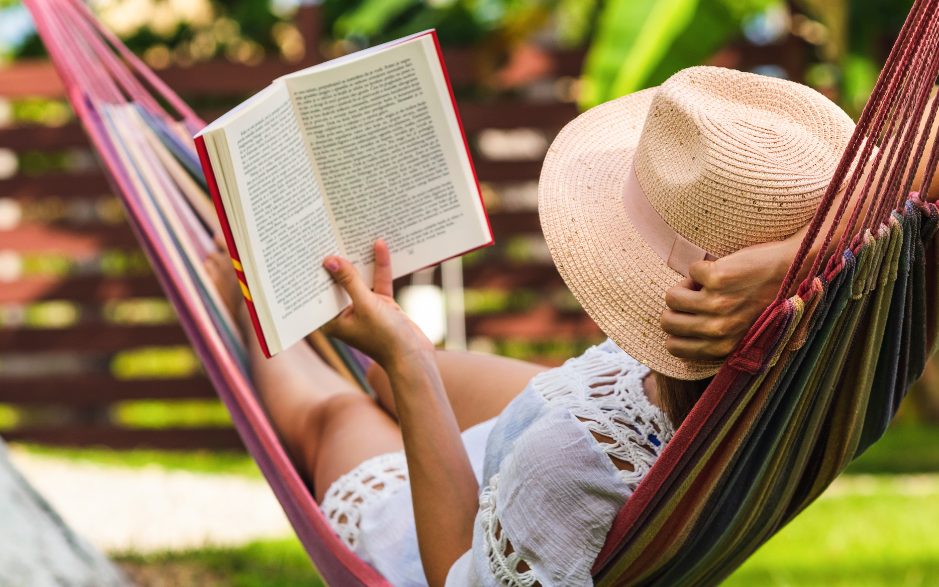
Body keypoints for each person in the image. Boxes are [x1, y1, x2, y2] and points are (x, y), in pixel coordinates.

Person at [205, 66, 939, 587]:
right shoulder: (860, 328)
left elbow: (459, 578)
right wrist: (789, 263)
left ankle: (248, 298)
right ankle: (367, 348)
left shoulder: (564, 470)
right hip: (640, 404)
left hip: (505, 504)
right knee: (381, 374)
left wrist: (406, 361)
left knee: (337, 411)